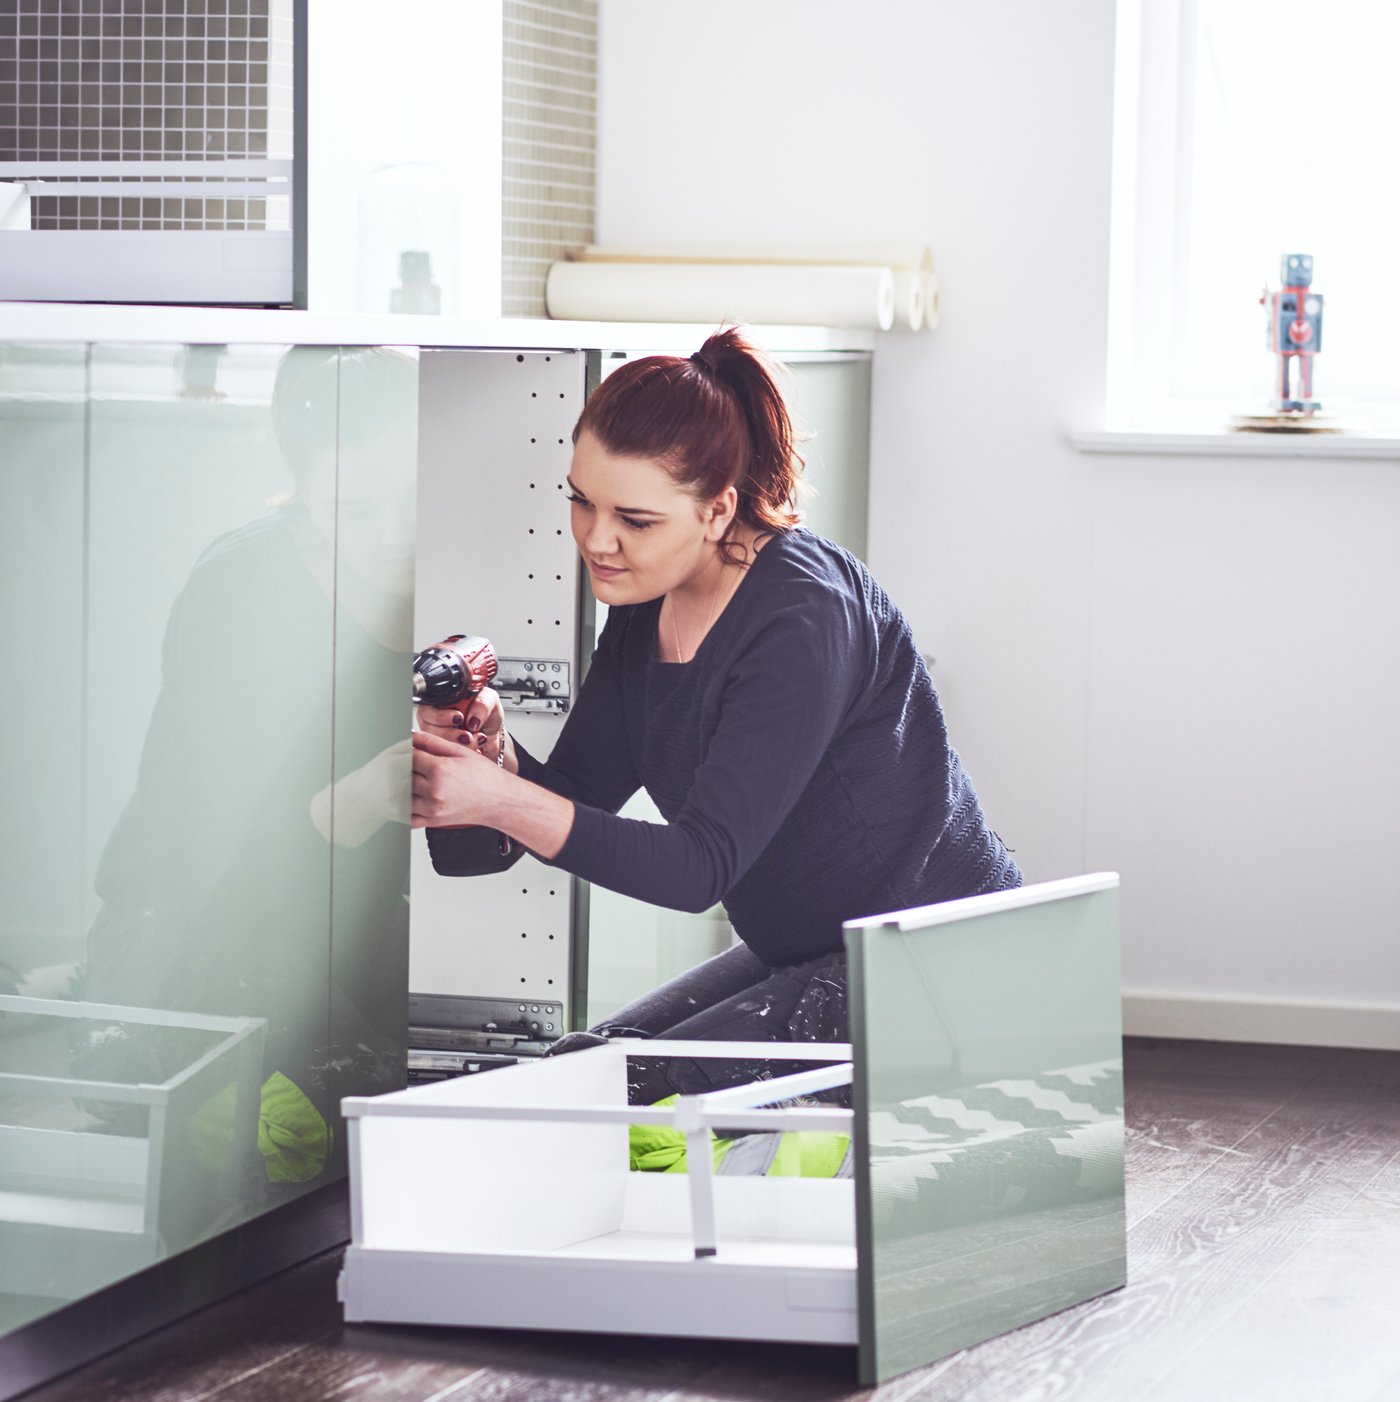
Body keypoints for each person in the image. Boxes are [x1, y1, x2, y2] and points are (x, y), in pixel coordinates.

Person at [412, 327, 1021, 1105]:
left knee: (629, 1098)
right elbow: (568, 803)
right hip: (811, 953)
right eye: (580, 500)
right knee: (579, 1069)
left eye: (635, 520)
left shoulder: (801, 621)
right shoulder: (644, 600)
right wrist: (494, 760)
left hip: (937, 972)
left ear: (717, 509)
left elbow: (700, 868)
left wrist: (500, 797)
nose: (597, 540)